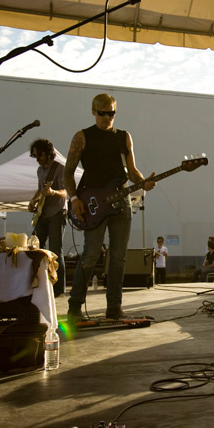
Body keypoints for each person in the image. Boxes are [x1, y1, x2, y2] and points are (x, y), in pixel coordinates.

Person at [64, 93, 155, 321]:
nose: (107, 117)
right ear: (94, 112)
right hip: (92, 202)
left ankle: (114, 307)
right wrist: (74, 199)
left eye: (111, 113)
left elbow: (132, 171)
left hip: (121, 203)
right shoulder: (82, 137)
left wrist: (143, 182)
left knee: (118, 257)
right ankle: (75, 307)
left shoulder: (124, 137)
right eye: (102, 113)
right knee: (90, 254)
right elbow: (67, 171)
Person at [28, 138, 67, 297]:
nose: (37, 159)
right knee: (36, 248)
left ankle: (59, 289)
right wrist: (33, 200)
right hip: (43, 214)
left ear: (48, 153)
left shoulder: (60, 168)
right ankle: (40, 284)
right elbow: (40, 189)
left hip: (57, 212)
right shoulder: (40, 170)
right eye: (35, 156)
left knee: (56, 250)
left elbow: (65, 192)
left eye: (40, 155)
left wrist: (53, 193)